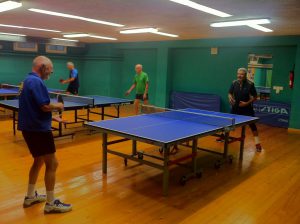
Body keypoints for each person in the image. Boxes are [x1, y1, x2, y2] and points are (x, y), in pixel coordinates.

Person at [18, 56, 72, 213]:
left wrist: (52, 117)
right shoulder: (37, 82)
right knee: (53, 164)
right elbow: (45, 106)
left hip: (29, 128)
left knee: (38, 161)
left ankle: (30, 196)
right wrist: (59, 106)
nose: (52, 71)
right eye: (50, 67)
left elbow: (32, 107)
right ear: (42, 67)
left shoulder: (26, 80)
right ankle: (50, 203)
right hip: (39, 130)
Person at [227, 67, 262, 152]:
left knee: (252, 125)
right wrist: (230, 98)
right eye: (238, 74)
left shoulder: (250, 84)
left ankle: (257, 143)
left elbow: (255, 97)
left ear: (245, 75)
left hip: (247, 108)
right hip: (235, 107)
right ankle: (225, 137)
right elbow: (229, 93)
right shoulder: (234, 83)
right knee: (228, 122)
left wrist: (246, 103)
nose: (239, 75)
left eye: (241, 74)